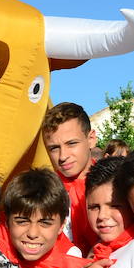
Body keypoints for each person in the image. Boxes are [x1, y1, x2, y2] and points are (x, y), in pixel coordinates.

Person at [0, 168, 88, 268]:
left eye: (45, 223)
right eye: (22, 221)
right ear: (7, 222)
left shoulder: (69, 258)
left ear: (61, 226)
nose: (33, 234)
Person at [40, 102, 98, 251]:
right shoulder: (41, 192)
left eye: (71, 144)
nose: (63, 156)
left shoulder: (115, 184)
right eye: (54, 148)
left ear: (91, 139)